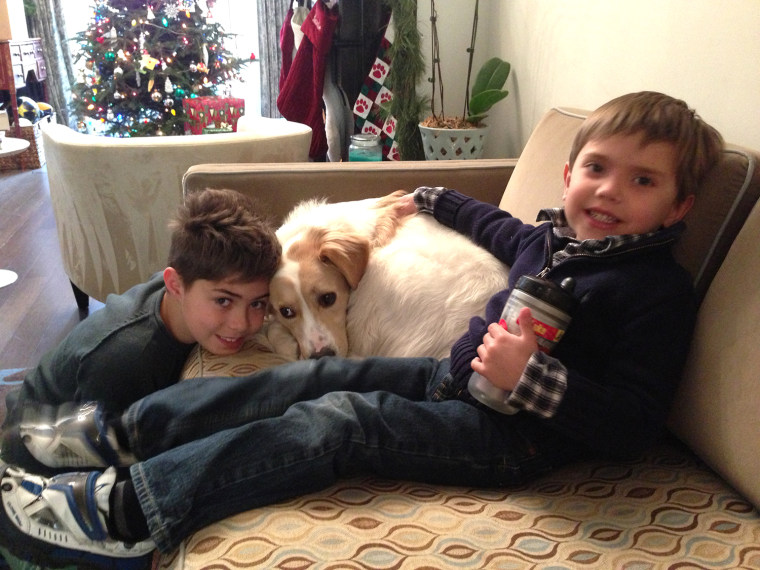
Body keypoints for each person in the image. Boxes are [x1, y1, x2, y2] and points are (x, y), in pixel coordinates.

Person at [0, 92, 724, 567]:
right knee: (308, 374)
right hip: (454, 381)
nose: (608, 191)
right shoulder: (551, 239)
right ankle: (123, 436)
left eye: (641, 181)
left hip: (513, 436)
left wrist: (535, 381)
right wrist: (434, 196)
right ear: (568, 174)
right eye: (597, 168)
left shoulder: (655, 292)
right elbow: (496, 225)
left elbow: (634, 422)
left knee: (338, 421)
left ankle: (129, 513)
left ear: (678, 206)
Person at [1, 187, 281, 472]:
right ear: (175, 285)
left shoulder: (181, 294)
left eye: (258, 304)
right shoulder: (125, 359)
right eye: (223, 300)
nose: (243, 323)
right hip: (31, 468)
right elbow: (102, 461)